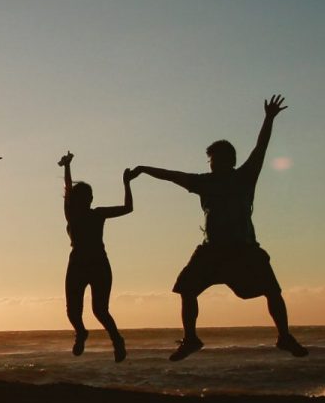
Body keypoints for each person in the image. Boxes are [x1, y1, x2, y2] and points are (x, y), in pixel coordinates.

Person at [132, 94, 308, 361]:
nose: (211, 163)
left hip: (243, 249)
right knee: (187, 289)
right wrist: (144, 169)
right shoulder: (205, 181)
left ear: (227, 160)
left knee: (272, 291)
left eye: (214, 159)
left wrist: (268, 118)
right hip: (212, 251)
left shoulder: (243, 177)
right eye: (210, 160)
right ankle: (191, 339)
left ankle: (284, 336)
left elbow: (261, 147)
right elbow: (172, 176)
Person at [58, 152, 134, 362]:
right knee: (73, 311)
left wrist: (126, 184)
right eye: (80, 197)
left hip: (98, 263)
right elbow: (67, 189)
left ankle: (117, 341)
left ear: (91, 199)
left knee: (100, 310)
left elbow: (128, 208)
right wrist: (67, 166)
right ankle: (81, 333)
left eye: (87, 197)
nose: (85, 200)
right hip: (78, 264)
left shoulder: (98, 213)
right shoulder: (71, 213)